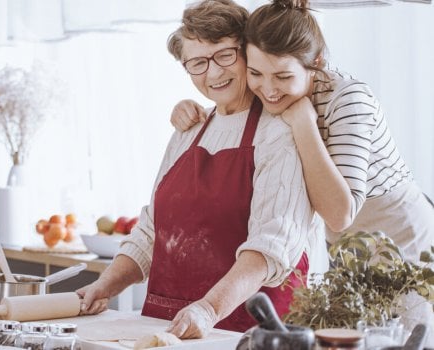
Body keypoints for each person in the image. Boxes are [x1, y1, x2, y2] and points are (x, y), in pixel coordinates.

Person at [170, 0, 434, 338]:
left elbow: (340, 213)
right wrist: (189, 109)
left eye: (282, 76)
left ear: (317, 63)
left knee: (405, 339)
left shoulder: (349, 99)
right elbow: (231, 104)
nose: (267, 88)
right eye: (255, 73)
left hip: (399, 235)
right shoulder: (275, 92)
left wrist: (304, 123)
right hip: (341, 245)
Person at [77, 0, 316, 339]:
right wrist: (104, 286)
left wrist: (209, 308)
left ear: (248, 51)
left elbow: (270, 248)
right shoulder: (189, 128)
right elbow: (151, 231)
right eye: (198, 62)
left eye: (225, 55)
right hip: (168, 328)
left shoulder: (279, 132)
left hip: (248, 332)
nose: (214, 73)